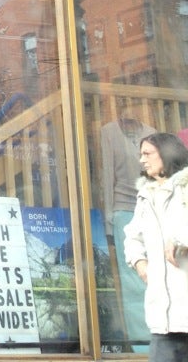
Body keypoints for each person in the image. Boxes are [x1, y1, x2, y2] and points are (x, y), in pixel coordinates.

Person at [123, 133, 188, 362]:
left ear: (167, 153)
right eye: (141, 154)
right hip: (163, 320)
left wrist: (180, 239)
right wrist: (140, 263)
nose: (142, 160)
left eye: (147, 153)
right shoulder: (145, 196)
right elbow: (132, 236)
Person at [101, 101, 156, 348]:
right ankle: (142, 344)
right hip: (123, 209)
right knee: (133, 280)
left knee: (160, 274)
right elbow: (107, 176)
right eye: (123, 102)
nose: (129, 107)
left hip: (152, 210)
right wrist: (108, 221)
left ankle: (164, 338)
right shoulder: (109, 132)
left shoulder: (152, 134)